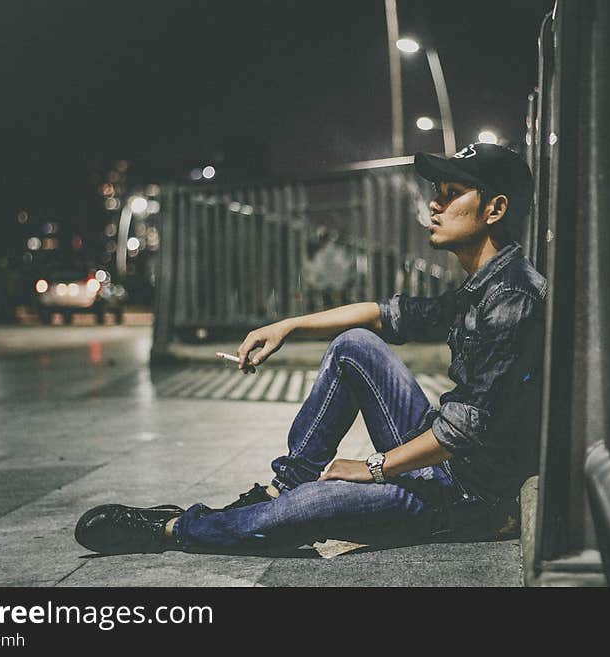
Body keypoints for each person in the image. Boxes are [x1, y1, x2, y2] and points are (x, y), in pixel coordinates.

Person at [74, 142, 548, 555]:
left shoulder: (512, 298)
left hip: (466, 497)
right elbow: (383, 314)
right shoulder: (481, 285)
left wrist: (372, 467)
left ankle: (173, 526)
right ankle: (287, 482)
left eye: (450, 195)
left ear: (495, 209)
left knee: (312, 507)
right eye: (436, 194)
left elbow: (462, 433)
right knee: (354, 346)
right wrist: (288, 325)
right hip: (447, 462)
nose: (433, 206)